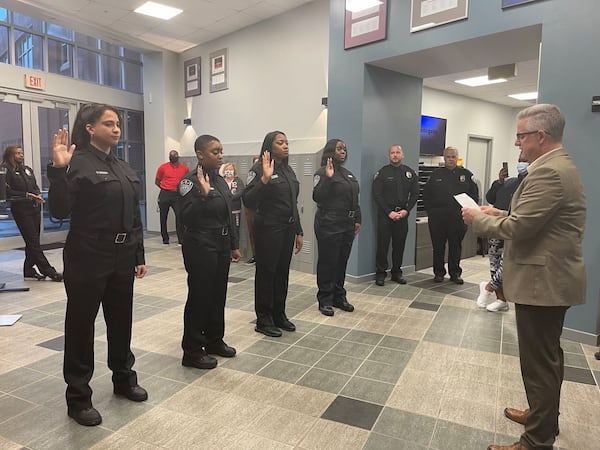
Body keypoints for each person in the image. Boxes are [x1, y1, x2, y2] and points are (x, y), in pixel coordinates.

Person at [462, 104, 586, 450]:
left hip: (544, 283)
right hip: (548, 280)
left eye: (521, 135)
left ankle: (536, 440)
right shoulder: (555, 167)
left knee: (539, 364)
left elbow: (521, 227)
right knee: (546, 359)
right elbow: (530, 217)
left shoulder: (549, 172)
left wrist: (477, 219)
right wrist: (497, 211)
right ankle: (542, 418)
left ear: (541, 136)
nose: (517, 143)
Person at [48, 103, 148, 427]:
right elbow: (59, 211)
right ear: (90, 128)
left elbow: (134, 216)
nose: (116, 128)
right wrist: (58, 171)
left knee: (121, 320)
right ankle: (78, 398)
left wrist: (139, 256)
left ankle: (123, 379)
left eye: (118, 123)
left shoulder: (122, 166)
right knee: (81, 326)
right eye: (109, 123)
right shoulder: (76, 163)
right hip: (87, 254)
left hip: (122, 255)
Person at [178, 135, 241, 369]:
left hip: (222, 244)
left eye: (221, 151)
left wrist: (234, 244)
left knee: (218, 295)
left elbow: (229, 215)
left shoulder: (222, 181)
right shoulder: (189, 182)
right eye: (215, 151)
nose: (220, 155)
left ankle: (214, 340)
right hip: (200, 245)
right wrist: (203, 198)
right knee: (200, 296)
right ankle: (192, 350)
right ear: (200, 154)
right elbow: (185, 217)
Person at [242, 131, 303, 337]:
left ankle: (279, 314)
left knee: (281, 273)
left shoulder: (288, 170)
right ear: (270, 146)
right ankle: (263, 319)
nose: (285, 146)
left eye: (287, 142)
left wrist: (298, 230)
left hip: (287, 228)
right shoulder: (259, 169)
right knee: (267, 273)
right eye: (280, 142)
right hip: (268, 228)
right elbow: (248, 201)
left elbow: (292, 203)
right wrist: (265, 180)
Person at [313, 139, 361, 316]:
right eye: (339, 148)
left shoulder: (348, 174)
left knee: (341, 262)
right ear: (330, 151)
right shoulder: (322, 172)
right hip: (329, 223)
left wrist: (357, 219)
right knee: (328, 262)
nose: (343, 151)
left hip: (347, 223)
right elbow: (317, 196)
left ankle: (338, 296)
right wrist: (329, 178)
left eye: (345, 149)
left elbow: (355, 199)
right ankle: (325, 299)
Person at [2, 145, 62, 281]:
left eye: (22, 153)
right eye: (17, 153)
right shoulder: (6, 171)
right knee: (33, 242)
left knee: (32, 241)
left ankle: (28, 269)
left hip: (34, 208)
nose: (21, 155)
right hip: (21, 210)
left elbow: (34, 186)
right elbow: (7, 192)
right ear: (10, 155)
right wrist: (27, 195)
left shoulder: (27, 170)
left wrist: (37, 194)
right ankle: (49, 271)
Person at [477, 158, 528, 312]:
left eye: (525, 161)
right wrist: (499, 182)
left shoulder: (531, 185)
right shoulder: (509, 183)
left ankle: (487, 287)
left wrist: (500, 214)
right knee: (495, 264)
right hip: (497, 229)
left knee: (506, 265)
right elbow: (490, 198)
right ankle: (501, 299)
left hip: (513, 231)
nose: (521, 164)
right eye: (519, 161)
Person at [422, 146, 478, 284]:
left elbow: (474, 196)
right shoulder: (436, 175)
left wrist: (468, 213)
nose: (451, 159)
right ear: (444, 158)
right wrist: (431, 212)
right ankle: (439, 273)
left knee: (455, 246)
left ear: (457, 158)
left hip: (458, 218)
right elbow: (426, 195)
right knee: (438, 247)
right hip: (438, 218)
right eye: (448, 157)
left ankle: (455, 273)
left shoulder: (466, 175)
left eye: (453, 157)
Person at [372, 144, 419, 286]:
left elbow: (415, 194)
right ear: (389, 156)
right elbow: (377, 195)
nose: (395, 155)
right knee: (382, 246)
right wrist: (389, 212)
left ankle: (396, 273)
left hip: (403, 215)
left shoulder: (409, 173)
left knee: (399, 246)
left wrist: (407, 210)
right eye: (392, 153)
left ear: (402, 155)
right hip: (386, 215)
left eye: (398, 152)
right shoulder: (382, 173)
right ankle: (380, 274)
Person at [155, 149, 189, 245]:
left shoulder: (184, 168)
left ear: (178, 157)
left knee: (179, 216)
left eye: (175, 156)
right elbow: (157, 181)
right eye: (171, 156)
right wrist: (165, 188)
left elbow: (186, 181)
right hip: (165, 193)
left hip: (177, 195)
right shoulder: (163, 167)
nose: (173, 157)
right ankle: (165, 239)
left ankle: (181, 240)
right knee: (163, 217)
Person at [219, 162, 245, 243]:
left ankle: (235, 250)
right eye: (227, 170)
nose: (229, 171)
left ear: (234, 171)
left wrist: (227, 198)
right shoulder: (221, 181)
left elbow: (240, 193)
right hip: (223, 212)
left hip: (235, 211)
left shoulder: (238, 181)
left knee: (235, 231)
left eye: (230, 169)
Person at [244, 155, 260, 264]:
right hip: (251, 208)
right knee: (252, 233)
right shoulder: (252, 175)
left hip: (261, 209)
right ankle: (255, 255)